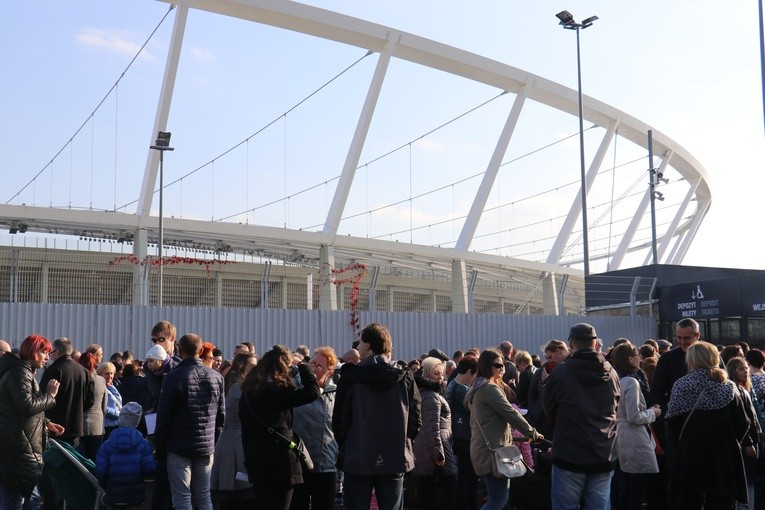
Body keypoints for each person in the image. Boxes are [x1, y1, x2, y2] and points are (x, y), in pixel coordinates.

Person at [333, 322, 422, 510]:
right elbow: (415, 419)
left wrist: (348, 444)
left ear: (368, 346)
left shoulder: (351, 377)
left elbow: (339, 420)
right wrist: (404, 441)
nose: (356, 345)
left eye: (360, 341)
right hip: (395, 455)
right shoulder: (405, 376)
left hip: (358, 456)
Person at [544, 323, 620, 510]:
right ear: (595, 343)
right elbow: (616, 406)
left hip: (570, 452)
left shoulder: (561, 372)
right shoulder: (611, 372)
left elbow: (549, 410)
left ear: (571, 343)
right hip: (603, 452)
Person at [665, 341, 750, 508]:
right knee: (721, 501)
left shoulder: (682, 385)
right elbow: (743, 423)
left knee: (690, 501)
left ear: (692, 360)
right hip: (723, 454)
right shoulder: (728, 386)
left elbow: (672, 421)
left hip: (691, 453)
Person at [240, 344, 319, 509]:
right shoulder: (279, 390)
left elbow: (245, 428)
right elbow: (312, 392)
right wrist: (303, 366)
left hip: (256, 456)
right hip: (281, 457)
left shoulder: (248, 391)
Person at [154, 333, 225, 510]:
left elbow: (164, 417)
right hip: (206, 444)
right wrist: (213, 441)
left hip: (178, 445)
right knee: (203, 496)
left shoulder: (172, 377)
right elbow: (221, 416)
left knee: (182, 497)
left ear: (179, 349)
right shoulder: (217, 377)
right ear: (200, 350)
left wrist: (160, 446)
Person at [465, 349, 541, 510]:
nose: (502, 368)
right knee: (498, 500)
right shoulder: (488, 389)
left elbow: (512, 398)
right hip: (493, 451)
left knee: (498, 498)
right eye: (498, 365)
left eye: (504, 365)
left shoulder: (479, 386)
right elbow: (510, 413)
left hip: (486, 449)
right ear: (487, 366)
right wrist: (533, 433)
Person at [0, 334, 63, 509]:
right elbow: (26, 406)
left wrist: (45, 422)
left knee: (27, 500)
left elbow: (17, 410)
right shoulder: (19, 373)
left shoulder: (20, 371)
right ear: (34, 352)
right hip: (17, 453)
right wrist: (50, 396)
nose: (47, 357)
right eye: (44, 352)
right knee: (17, 501)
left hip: (20, 451)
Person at [610, 342, 661, 510]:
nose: (640, 359)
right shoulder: (631, 382)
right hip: (634, 438)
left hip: (620, 437)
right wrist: (653, 412)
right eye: (637, 355)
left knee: (626, 486)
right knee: (637, 489)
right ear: (630, 359)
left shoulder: (614, 379)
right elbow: (634, 416)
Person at [291, 346, 340, 510]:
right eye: (312, 363)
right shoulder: (296, 388)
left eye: (319, 366)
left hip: (325, 463)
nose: (313, 368)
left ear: (330, 372)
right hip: (299, 463)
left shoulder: (335, 394)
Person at [210, 352, 258, 509]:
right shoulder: (240, 388)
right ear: (243, 366)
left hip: (229, 441)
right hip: (238, 443)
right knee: (241, 493)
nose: (256, 368)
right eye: (252, 365)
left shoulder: (232, 384)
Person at [412, 357, 457, 510]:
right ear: (428, 374)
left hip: (427, 450)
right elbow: (432, 428)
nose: (441, 377)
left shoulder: (425, 393)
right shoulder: (431, 396)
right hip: (434, 453)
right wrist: (439, 454)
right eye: (437, 373)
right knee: (440, 496)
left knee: (428, 495)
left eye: (442, 373)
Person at [95, 401, 156, 509]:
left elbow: (101, 472)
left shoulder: (107, 445)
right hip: (135, 498)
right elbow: (149, 470)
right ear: (137, 421)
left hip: (112, 498)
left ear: (120, 419)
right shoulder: (144, 445)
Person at [726, 356, 761, 510]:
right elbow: (742, 421)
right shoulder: (734, 390)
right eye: (741, 369)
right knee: (746, 481)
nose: (746, 371)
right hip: (744, 443)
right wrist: (749, 442)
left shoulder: (745, 389)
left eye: (746, 368)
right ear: (733, 371)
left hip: (753, 440)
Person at [446, 354, 478, 510]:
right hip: (466, 438)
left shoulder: (451, 384)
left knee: (463, 477)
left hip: (455, 436)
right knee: (468, 478)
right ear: (470, 372)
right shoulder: (463, 389)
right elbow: (473, 412)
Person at [526, 339, 568, 438]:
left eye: (550, 357)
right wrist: (534, 411)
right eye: (546, 358)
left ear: (558, 351)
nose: (549, 360)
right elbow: (531, 393)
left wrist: (548, 381)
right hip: (542, 418)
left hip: (560, 419)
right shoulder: (540, 372)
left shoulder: (568, 370)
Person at [78, 352, 107, 462]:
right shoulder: (101, 380)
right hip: (97, 425)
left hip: (79, 425)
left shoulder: (78, 380)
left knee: (80, 460)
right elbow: (104, 404)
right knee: (95, 459)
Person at [98, 362, 122, 439]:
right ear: (100, 374)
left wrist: (111, 387)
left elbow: (118, 401)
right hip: (107, 426)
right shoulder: (99, 388)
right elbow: (103, 407)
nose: (110, 376)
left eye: (111, 373)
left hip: (116, 425)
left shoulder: (110, 386)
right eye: (107, 373)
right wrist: (119, 414)